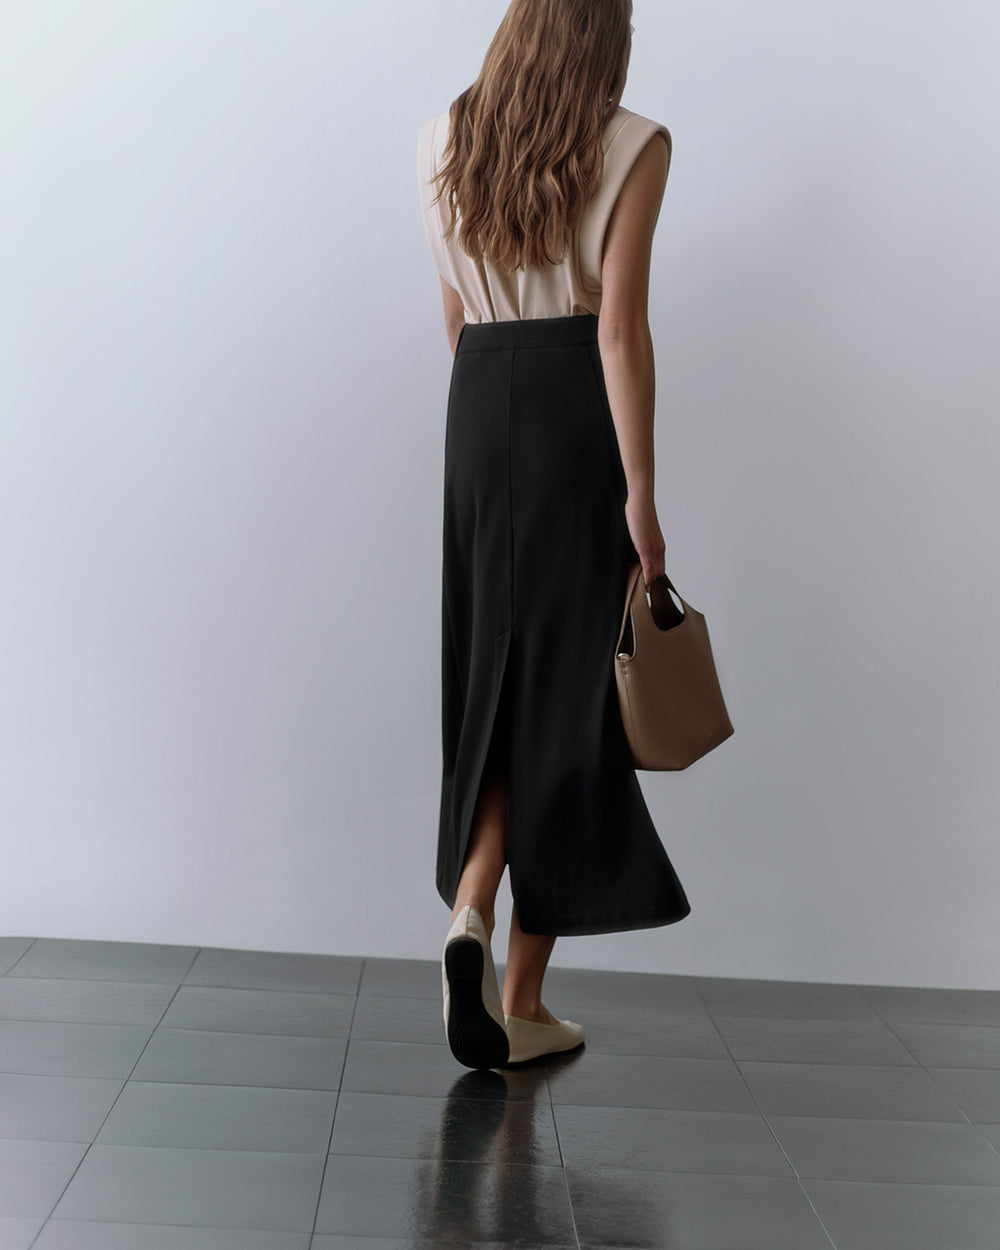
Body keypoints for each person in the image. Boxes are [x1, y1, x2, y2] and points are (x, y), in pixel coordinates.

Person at [416, 0, 691, 1070]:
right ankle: (521, 997)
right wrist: (641, 497)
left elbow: (453, 315)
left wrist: (493, 430)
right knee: (568, 707)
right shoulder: (634, 145)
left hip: (479, 404)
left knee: (493, 689)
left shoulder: (447, 132)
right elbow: (617, 326)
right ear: (606, 35)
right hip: (573, 407)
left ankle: (468, 916)